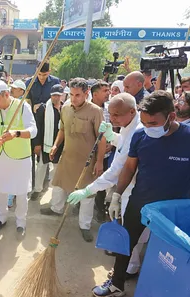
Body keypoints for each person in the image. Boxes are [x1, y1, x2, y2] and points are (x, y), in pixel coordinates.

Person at [92, 90, 190, 297]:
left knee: (172, 256)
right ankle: (116, 284)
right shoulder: (139, 135)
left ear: (171, 116)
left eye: (153, 123)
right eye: (144, 122)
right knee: (125, 244)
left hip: (174, 211)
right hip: (141, 202)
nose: (148, 128)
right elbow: (129, 167)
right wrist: (117, 194)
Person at [67, 93, 149, 280]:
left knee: (132, 232)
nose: (112, 118)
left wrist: (88, 190)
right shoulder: (129, 126)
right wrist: (113, 136)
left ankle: (130, 269)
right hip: (129, 187)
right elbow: (123, 144)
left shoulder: (138, 130)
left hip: (134, 188)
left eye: (116, 115)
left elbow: (115, 171)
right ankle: (130, 264)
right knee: (130, 230)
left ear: (132, 111)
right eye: (110, 114)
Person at [46, 78, 106, 242]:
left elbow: (102, 139)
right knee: (59, 184)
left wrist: (99, 161)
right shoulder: (65, 108)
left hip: (87, 162)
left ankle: (84, 226)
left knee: (86, 195)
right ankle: (56, 208)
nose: (74, 98)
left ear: (87, 94)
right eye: (71, 94)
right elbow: (62, 129)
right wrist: (55, 145)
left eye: (78, 95)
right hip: (67, 156)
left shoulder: (95, 111)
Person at [0, 80, 37, 237]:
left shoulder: (22, 107)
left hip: (20, 157)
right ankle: (2, 218)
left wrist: (16, 133)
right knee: (1, 189)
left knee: (20, 192)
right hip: (0, 156)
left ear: (6, 94)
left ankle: (21, 222)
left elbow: (33, 130)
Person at [32, 84, 64, 201]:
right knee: (41, 167)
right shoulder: (43, 108)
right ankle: (37, 189)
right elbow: (38, 127)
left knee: (57, 168)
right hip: (45, 143)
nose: (56, 98)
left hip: (59, 144)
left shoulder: (65, 108)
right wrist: (37, 144)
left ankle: (55, 194)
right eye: (54, 95)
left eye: (58, 95)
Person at [90, 81, 111, 222]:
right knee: (85, 179)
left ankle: (99, 208)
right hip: (87, 153)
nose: (108, 93)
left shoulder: (109, 108)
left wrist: (111, 142)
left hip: (104, 153)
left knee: (101, 180)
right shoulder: (85, 107)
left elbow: (114, 127)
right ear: (95, 94)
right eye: (105, 90)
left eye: (108, 90)